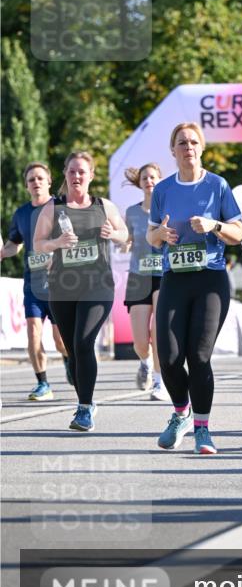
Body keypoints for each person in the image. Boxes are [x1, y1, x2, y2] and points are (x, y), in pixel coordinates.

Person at [147, 122, 242, 455]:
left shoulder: (217, 185)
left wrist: (215, 226)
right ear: (172, 151)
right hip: (175, 277)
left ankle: (203, 428)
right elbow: (150, 236)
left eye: (193, 142)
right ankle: (181, 412)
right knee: (170, 359)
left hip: (210, 278)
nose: (187, 147)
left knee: (199, 356)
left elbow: (239, 232)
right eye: (181, 142)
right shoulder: (162, 190)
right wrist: (161, 235)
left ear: (201, 148)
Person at [33, 151, 128, 432]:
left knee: (84, 342)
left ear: (91, 176)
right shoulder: (53, 207)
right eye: (72, 171)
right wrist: (57, 242)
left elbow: (126, 237)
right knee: (74, 350)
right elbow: (38, 244)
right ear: (65, 174)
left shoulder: (104, 206)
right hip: (62, 288)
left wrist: (115, 234)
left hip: (98, 285)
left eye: (82, 172)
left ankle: (84, 408)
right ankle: (84, 399)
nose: (76, 176)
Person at [0, 162, 71, 400]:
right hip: (32, 285)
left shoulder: (61, 208)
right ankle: (43, 383)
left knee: (60, 339)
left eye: (41, 178)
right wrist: (3, 252)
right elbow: (14, 244)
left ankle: (68, 358)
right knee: (33, 332)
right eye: (31, 179)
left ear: (49, 182)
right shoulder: (21, 214)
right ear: (27, 185)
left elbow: (74, 239)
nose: (36, 182)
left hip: (60, 284)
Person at [122, 164, 168, 401]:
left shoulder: (169, 208)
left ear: (159, 180)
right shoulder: (131, 212)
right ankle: (145, 362)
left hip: (163, 274)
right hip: (138, 276)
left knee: (158, 330)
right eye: (144, 177)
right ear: (139, 183)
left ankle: (159, 383)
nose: (149, 180)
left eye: (152, 177)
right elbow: (128, 238)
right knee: (141, 340)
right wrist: (123, 243)